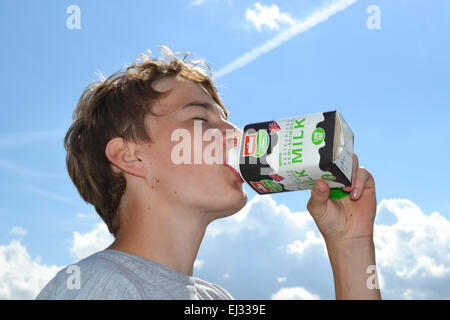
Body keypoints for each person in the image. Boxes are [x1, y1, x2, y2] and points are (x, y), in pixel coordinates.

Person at [36, 46, 381, 300]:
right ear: (130, 156)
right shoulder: (97, 286)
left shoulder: (216, 300)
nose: (235, 133)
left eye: (226, 120)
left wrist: (350, 244)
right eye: (201, 119)